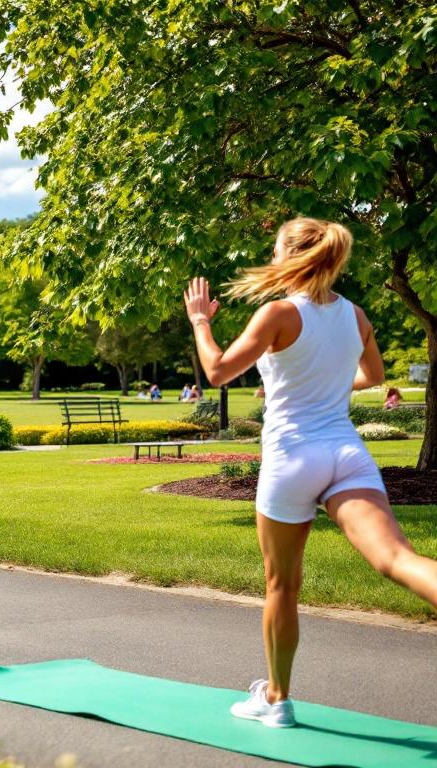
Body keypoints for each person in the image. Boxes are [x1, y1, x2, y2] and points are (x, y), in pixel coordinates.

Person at [184, 217, 437, 728]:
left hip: (292, 458)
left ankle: (277, 700)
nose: (272, 257)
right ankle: (274, 698)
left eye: (276, 249)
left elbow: (216, 372)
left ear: (293, 256)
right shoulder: (356, 315)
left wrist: (200, 322)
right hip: (346, 454)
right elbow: (373, 376)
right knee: (396, 558)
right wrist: (326, 386)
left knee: (282, 585)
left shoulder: (277, 312)